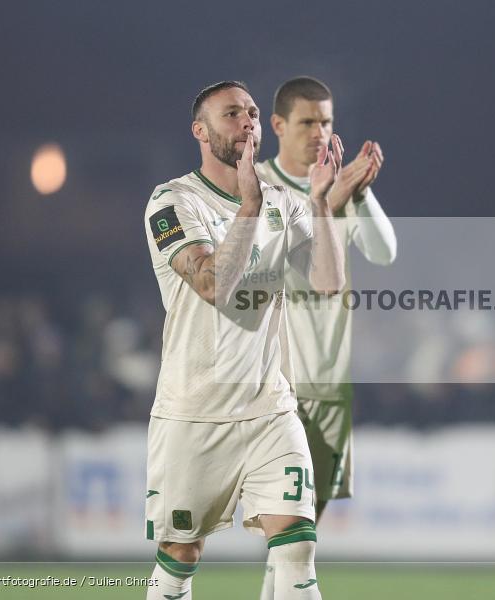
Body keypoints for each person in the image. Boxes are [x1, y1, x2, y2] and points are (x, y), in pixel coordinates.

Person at [142, 80, 345, 600]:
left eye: (253, 112)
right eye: (232, 114)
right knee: (181, 558)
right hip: (194, 411)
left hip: (268, 409)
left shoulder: (283, 201)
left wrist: (320, 204)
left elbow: (327, 284)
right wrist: (248, 208)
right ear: (200, 131)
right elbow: (212, 284)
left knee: (297, 546)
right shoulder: (172, 202)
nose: (248, 122)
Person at [254, 76, 396, 600]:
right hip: (276, 388)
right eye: (308, 121)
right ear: (278, 125)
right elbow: (272, 268)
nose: (319, 132)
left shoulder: (338, 187)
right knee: (292, 541)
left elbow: (384, 251)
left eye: (327, 122)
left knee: (294, 544)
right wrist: (325, 203)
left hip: (330, 386)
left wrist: (357, 192)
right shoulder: (259, 186)